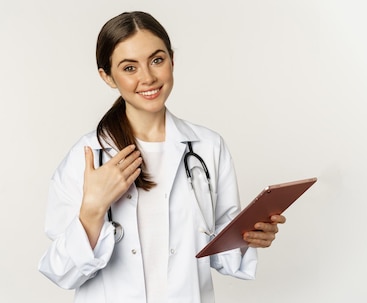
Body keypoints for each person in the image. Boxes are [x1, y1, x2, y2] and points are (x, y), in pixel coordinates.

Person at [38, 11, 286, 303]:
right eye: (129, 68)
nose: (148, 77)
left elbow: (222, 255)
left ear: (171, 60)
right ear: (107, 77)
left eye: (157, 60)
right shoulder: (89, 156)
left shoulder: (208, 147)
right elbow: (61, 271)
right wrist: (93, 208)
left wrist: (249, 237)